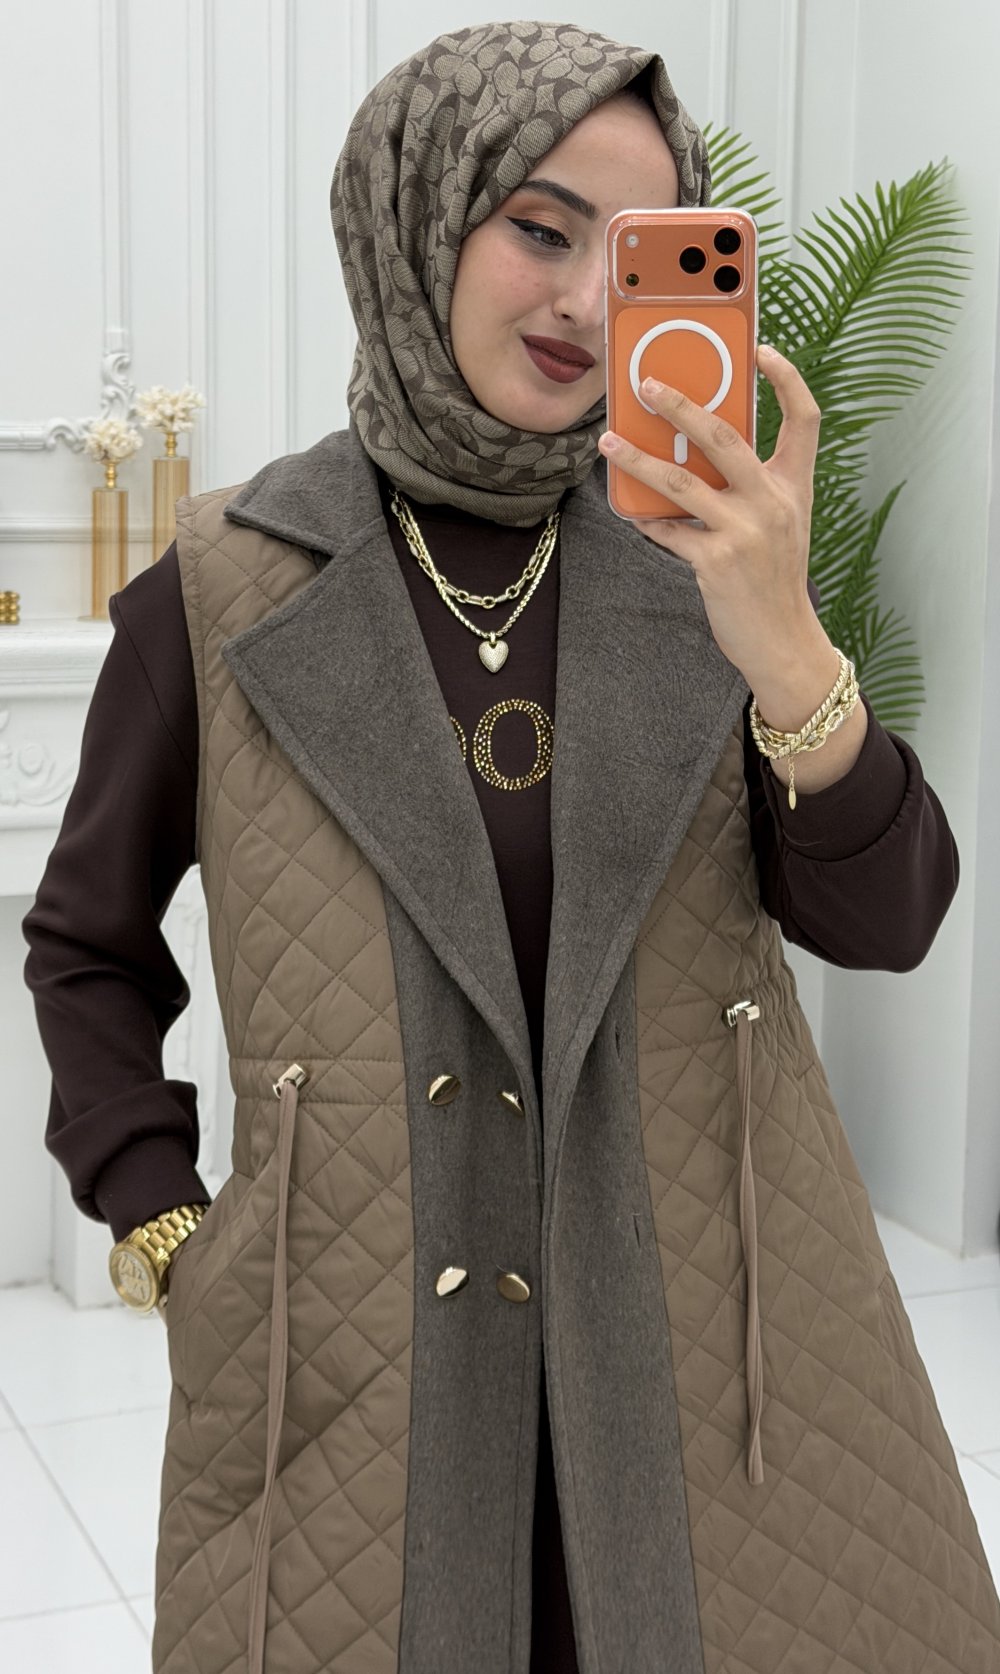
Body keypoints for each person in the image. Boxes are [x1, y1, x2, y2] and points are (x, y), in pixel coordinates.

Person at [21, 19, 1000, 1674]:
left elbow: (890, 919)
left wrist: (789, 652)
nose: (584, 302)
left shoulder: (707, 564)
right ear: (417, 217)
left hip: (709, 1352)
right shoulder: (222, 585)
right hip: (360, 1357)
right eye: (540, 229)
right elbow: (86, 945)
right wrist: (170, 1226)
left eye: (635, 255)